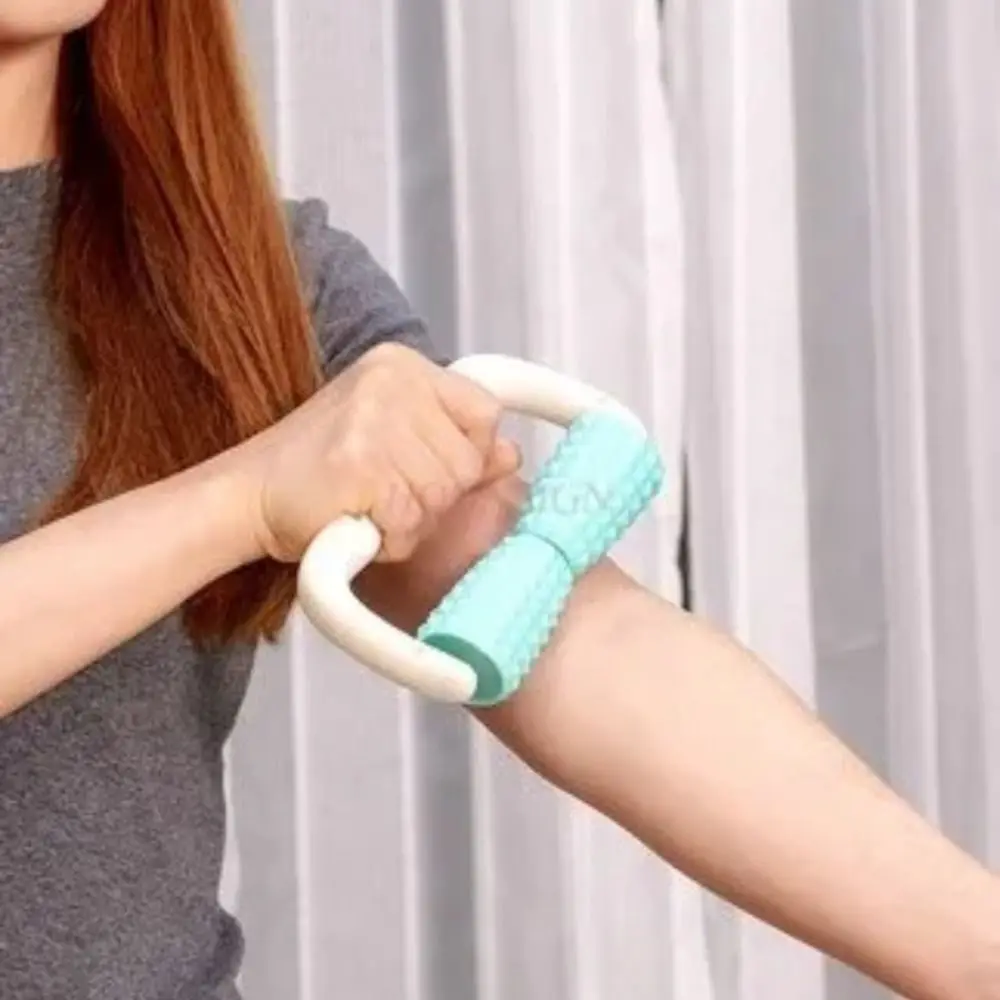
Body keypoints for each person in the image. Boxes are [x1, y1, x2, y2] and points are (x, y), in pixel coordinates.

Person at [0, 3, 997, 999]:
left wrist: (976, 950)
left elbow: (570, 634)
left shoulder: (236, 281)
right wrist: (244, 497)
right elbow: (260, 490)